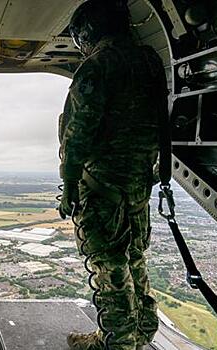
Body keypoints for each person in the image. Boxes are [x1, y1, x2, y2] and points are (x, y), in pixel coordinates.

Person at [58, 1, 169, 349]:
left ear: (88, 31)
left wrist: (70, 186)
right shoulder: (149, 61)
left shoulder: (98, 66)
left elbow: (77, 134)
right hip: (138, 189)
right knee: (134, 260)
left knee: (111, 268)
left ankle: (117, 342)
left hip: (104, 189)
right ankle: (141, 330)